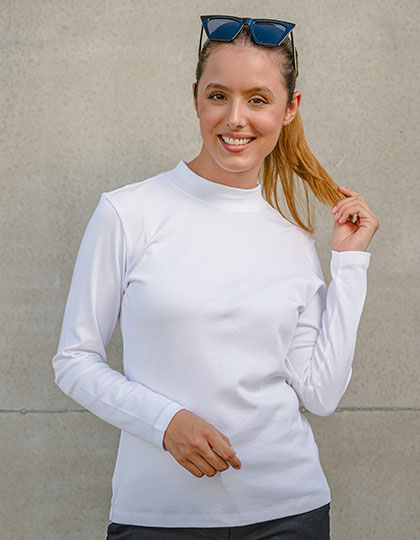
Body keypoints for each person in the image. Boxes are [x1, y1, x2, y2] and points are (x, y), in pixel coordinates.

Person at [52, 14, 379, 540]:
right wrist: (165, 423)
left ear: (289, 109)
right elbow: (73, 361)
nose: (235, 118)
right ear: (196, 98)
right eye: (218, 95)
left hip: (290, 511)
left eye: (258, 99)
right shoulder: (127, 213)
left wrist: (349, 265)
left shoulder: (294, 239)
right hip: (159, 517)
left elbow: (320, 394)